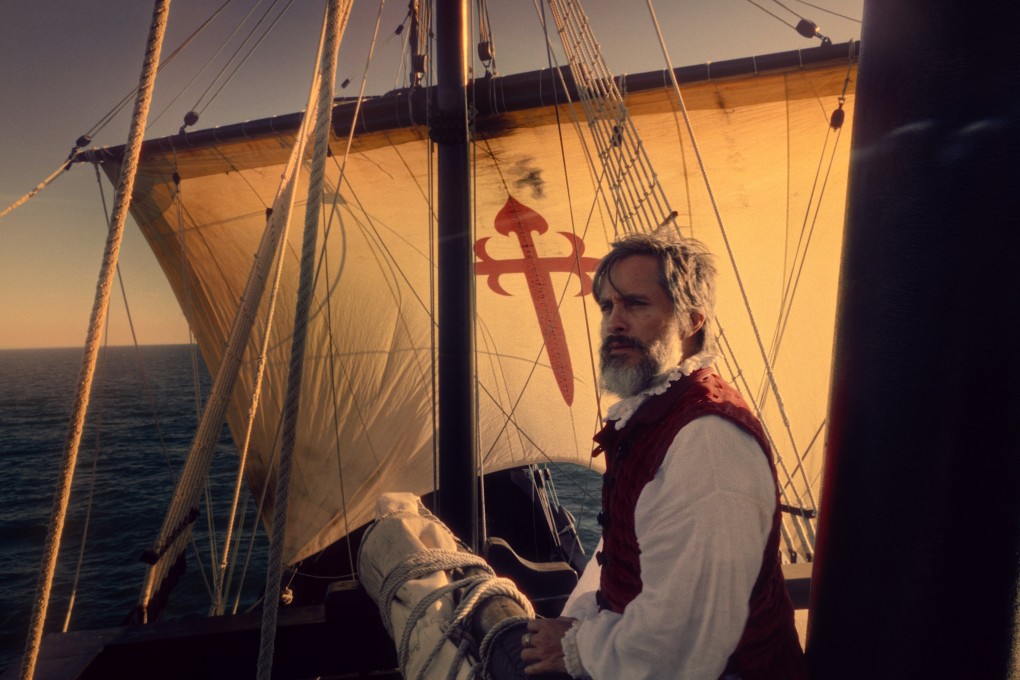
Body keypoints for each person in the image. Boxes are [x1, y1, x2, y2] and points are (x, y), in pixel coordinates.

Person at [519, 232, 806, 679]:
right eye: (608, 307)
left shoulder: (707, 441)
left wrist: (578, 648)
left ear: (691, 322)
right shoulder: (659, 415)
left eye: (635, 304)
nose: (615, 322)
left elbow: (682, 643)